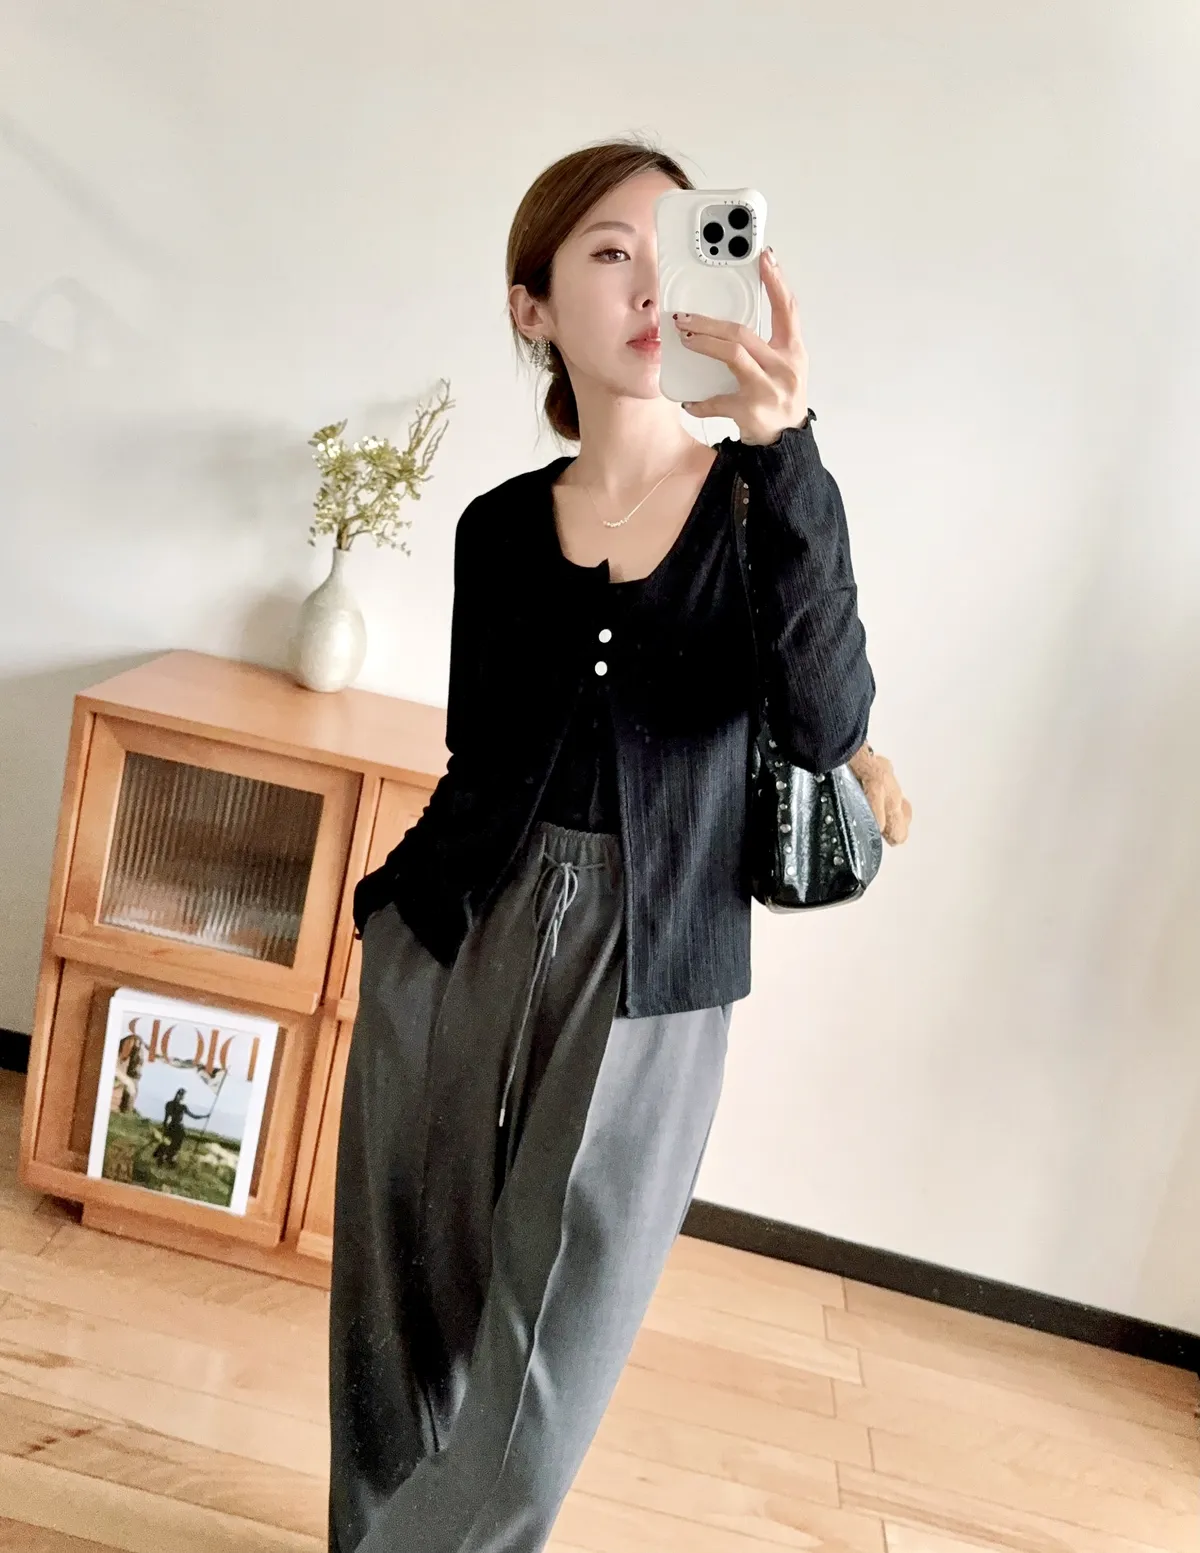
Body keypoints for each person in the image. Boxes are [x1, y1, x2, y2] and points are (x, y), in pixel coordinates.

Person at [327, 136, 906, 1553]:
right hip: (454, 931)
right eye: (608, 253)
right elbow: (479, 758)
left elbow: (827, 722)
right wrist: (391, 920)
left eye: (673, 250)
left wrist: (787, 449)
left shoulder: (766, 504)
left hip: (656, 962)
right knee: (398, 1321)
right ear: (532, 307)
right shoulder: (496, 530)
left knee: (543, 1369)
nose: (652, 285)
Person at [152, 1088, 210, 1167]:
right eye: (182, 1095)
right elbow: (193, 1116)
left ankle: (167, 1158)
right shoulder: (178, 1106)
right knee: (172, 1145)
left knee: (170, 1144)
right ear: (181, 1096)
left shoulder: (171, 1104)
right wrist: (205, 1116)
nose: (181, 1097)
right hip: (177, 1128)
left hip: (172, 1127)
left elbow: (165, 1119)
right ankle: (167, 1158)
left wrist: (204, 1116)